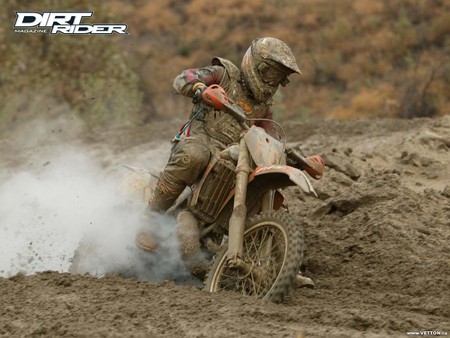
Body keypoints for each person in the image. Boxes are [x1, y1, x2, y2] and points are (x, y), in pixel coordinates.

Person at [137, 37, 319, 287]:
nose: (269, 81)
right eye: (267, 72)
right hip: (200, 141)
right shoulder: (223, 75)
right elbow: (183, 77)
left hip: (234, 157)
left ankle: (280, 265)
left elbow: (269, 136)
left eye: (277, 77)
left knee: (269, 192)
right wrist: (201, 88)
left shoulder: (264, 108)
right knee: (195, 155)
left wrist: (298, 158)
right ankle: (150, 220)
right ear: (253, 64)